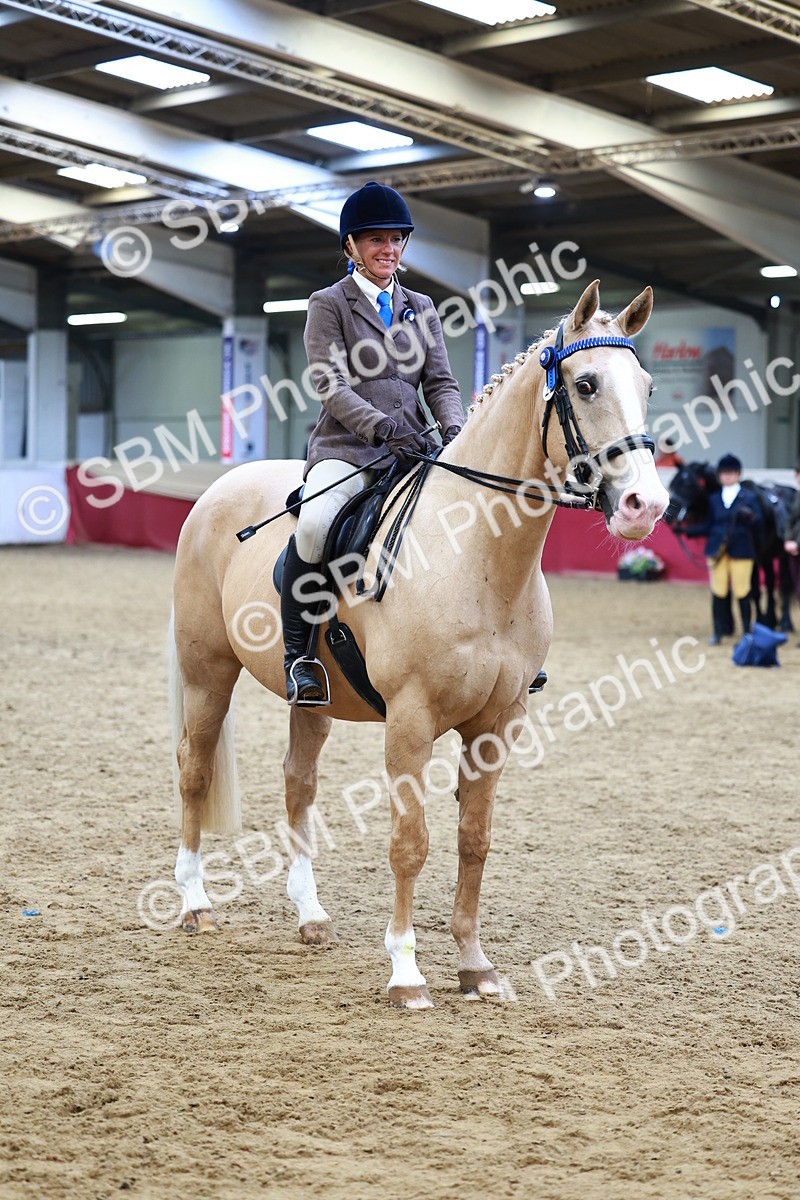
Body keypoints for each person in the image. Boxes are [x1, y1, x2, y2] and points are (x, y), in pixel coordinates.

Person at [280, 181, 465, 704]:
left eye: (396, 239)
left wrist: (455, 431)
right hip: (349, 449)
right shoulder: (328, 304)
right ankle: (299, 656)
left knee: (471, 520)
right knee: (315, 525)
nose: (389, 249)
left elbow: (441, 383)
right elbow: (330, 385)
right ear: (351, 246)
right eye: (376, 239)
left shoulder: (421, 306)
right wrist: (382, 427)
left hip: (417, 449)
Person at [679, 453, 763, 646]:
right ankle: (717, 632)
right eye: (724, 473)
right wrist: (686, 531)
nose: (727, 476)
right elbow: (709, 525)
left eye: (730, 473)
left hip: (741, 550)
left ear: (738, 474)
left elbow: (758, 521)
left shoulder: (749, 497)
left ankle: (747, 632)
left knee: (742, 590)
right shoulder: (714, 498)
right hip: (717, 551)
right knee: (718, 590)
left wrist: (750, 516)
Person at [783, 457, 800, 604]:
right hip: (794, 549)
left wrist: (797, 543)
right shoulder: (797, 496)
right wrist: (788, 539)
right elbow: (790, 520)